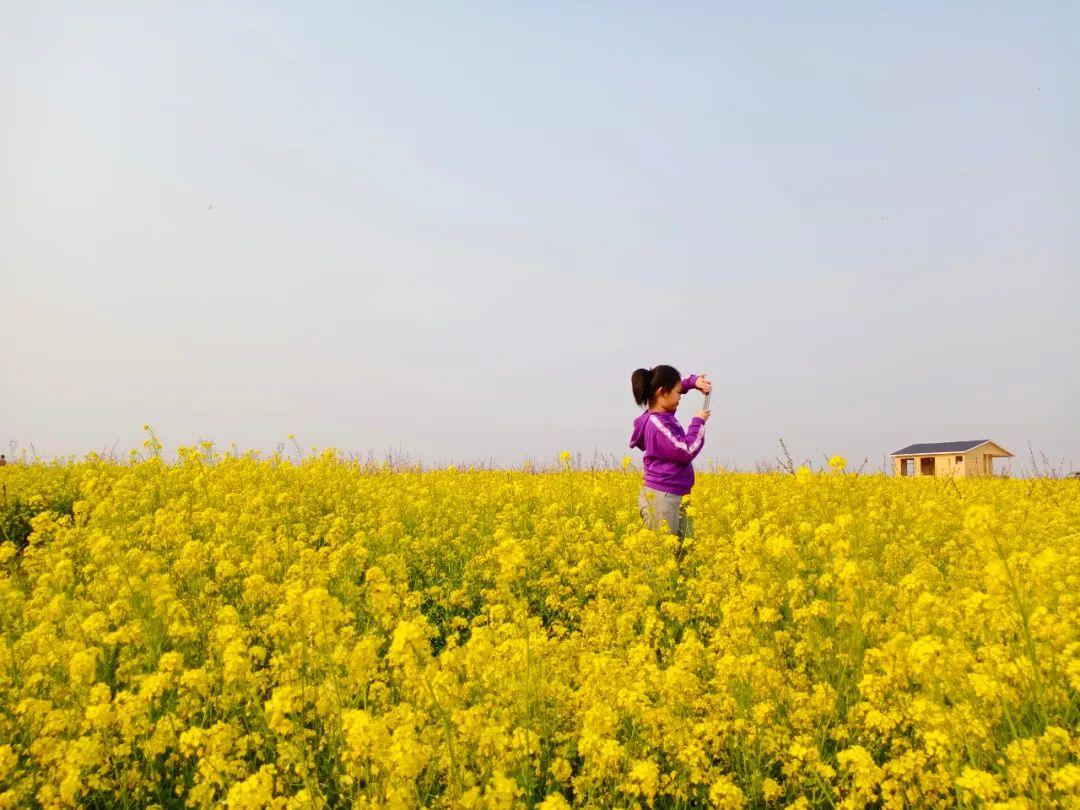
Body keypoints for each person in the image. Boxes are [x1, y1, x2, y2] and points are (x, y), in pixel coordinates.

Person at [628, 365, 711, 538]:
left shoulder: (661, 414)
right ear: (662, 392)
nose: (680, 396)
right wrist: (698, 422)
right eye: (679, 392)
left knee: (683, 555)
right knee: (664, 557)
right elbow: (686, 452)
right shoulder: (658, 424)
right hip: (663, 499)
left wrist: (694, 382)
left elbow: (672, 384)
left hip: (674, 495)